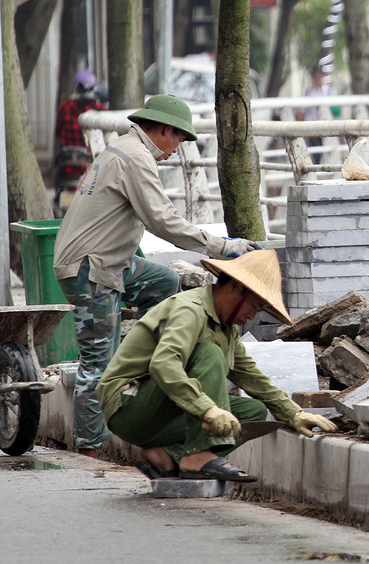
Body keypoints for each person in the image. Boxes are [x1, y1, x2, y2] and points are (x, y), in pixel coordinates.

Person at [53, 95, 258, 459]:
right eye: (178, 139)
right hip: (91, 269)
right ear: (163, 130)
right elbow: (162, 221)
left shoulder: (124, 148)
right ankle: (89, 451)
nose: (178, 149)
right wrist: (222, 247)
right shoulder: (136, 158)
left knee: (164, 282)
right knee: (98, 362)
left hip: (112, 262)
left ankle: (159, 363)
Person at [98, 249, 336, 481]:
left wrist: (293, 413)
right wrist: (208, 410)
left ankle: (167, 456)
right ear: (234, 288)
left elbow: (250, 375)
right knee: (210, 353)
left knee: (252, 412)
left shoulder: (227, 328)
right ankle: (198, 457)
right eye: (253, 306)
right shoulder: (190, 310)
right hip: (128, 406)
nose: (252, 316)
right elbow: (163, 364)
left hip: (159, 416)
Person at [54, 70, 107, 152]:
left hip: (67, 158)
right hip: (91, 161)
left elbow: (58, 133)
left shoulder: (64, 107)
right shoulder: (101, 110)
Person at [294, 67, 326, 151]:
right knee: (313, 147)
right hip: (311, 124)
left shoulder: (325, 92)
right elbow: (302, 111)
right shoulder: (309, 93)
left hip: (322, 124)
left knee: (321, 147)